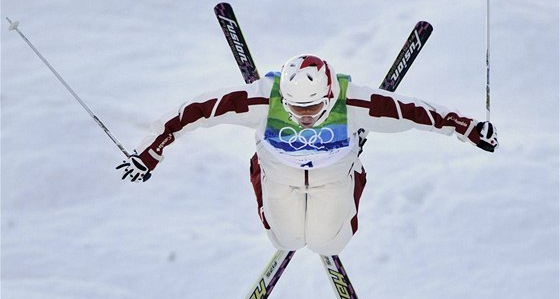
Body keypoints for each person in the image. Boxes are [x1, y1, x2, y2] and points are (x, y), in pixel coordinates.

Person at [117, 54, 498, 255]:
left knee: (327, 242)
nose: (303, 117)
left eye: (313, 109)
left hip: (333, 176)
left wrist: (468, 129)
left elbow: (417, 112)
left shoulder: (357, 102)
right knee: (284, 240)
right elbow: (196, 111)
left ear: (330, 94)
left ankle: (356, 171)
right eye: (296, 109)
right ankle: (260, 172)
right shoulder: (262, 99)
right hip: (278, 173)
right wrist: (151, 153)